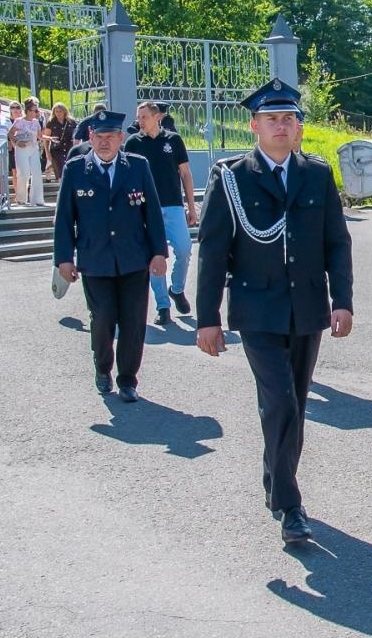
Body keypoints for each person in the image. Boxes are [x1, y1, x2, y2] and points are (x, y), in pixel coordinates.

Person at [195, 78, 354, 546]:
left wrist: (343, 300)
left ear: (298, 126)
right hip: (257, 310)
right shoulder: (232, 177)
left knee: (295, 405)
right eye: (271, 119)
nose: (281, 126)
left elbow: (336, 242)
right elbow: (213, 251)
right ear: (254, 126)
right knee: (280, 402)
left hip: (307, 308)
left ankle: (275, 478)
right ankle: (290, 505)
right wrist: (207, 319)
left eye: (288, 118)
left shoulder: (316, 174)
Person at [53, 110, 168, 403]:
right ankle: (103, 367)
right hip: (95, 260)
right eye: (99, 137)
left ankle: (128, 379)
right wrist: (63, 259)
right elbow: (64, 218)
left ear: (120, 138)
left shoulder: (138, 166)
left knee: (133, 322)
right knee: (103, 318)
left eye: (110, 137)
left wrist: (159, 253)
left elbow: (152, 213)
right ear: (91, 138)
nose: (104, 142)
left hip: (134, 259)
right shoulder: (76, 169)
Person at [124, 99, 198, 326]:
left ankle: (177, 289)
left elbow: (185, 173)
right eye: (138, 117)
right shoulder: (133, 143)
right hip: (146, 209)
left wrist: (191, 206)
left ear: (157, 117)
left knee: (184, 249)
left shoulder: (173, 140)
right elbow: (127, 177)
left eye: (144, 117)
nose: (140, 121)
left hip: (173, 205)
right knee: (154, 257)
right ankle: (163, 305)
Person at [10, 97, 46, 206]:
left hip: (33, 148)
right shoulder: (19, 121)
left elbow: (39, 136)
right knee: (24, 173)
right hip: (22, 149)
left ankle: (37, 199)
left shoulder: (36, 122)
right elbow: (10, 133)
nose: (37, 112)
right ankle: (21, 198)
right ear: (29, 111)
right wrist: (17, 142)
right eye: (35, 110)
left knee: (37, 173)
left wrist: (49, 138)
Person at [43, 102, 77, 182]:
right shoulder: (51, 122)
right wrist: (47, 152)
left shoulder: (71, 122)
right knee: (60, 174)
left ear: (64, 111)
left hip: (69, 150)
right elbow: (46, 138)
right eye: (56, 111)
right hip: (56, 151)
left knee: (69, 172)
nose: (58, 113)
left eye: (60, 111)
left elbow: (77, 136)